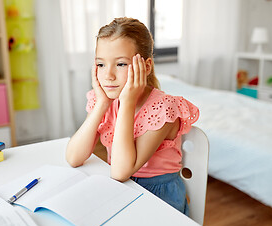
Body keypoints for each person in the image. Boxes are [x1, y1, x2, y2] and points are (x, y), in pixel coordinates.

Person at [66, 17, 199, 215]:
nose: (108, 75)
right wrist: (102, 104)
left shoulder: (162, 108)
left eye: (120, 64)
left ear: (145, 67)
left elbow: (120, 171)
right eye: (101, 65)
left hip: (159, 199)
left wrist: (127, 102)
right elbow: (73, 157)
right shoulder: (105, 100)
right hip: (121, 189)